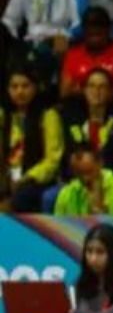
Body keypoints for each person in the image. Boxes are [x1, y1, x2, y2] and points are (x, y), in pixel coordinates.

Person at [1, 66, 64, 212]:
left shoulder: (48, 116)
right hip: (9, 175)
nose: (19, 91)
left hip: (37, 179)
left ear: (35, 88)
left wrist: (26, 178)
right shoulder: (4, 116)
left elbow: (52, 160)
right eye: (14, 87)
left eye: (25, 86)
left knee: (21, 197)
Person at [54, 146, 113, 217]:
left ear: (100, 163)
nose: (85, 179)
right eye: (80, 174)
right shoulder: (65, 194)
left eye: (89, 172)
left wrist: (103, 217)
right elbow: (57, 227)